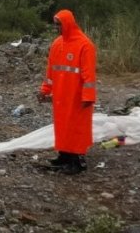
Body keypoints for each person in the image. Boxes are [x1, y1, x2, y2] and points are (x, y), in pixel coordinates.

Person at [37, 9, 97, 175]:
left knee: (76, 128)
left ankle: (76, 161)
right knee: (63, 126)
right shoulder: (57, 44)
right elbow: (51, 72)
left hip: (77, 97)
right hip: (61, 96)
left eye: (59, 25)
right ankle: (63, 155)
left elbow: (88, 75)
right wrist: (45, 90)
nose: (57, 28)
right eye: (55, 25)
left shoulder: (85, 45)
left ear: (68, 24)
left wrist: (88, 96)